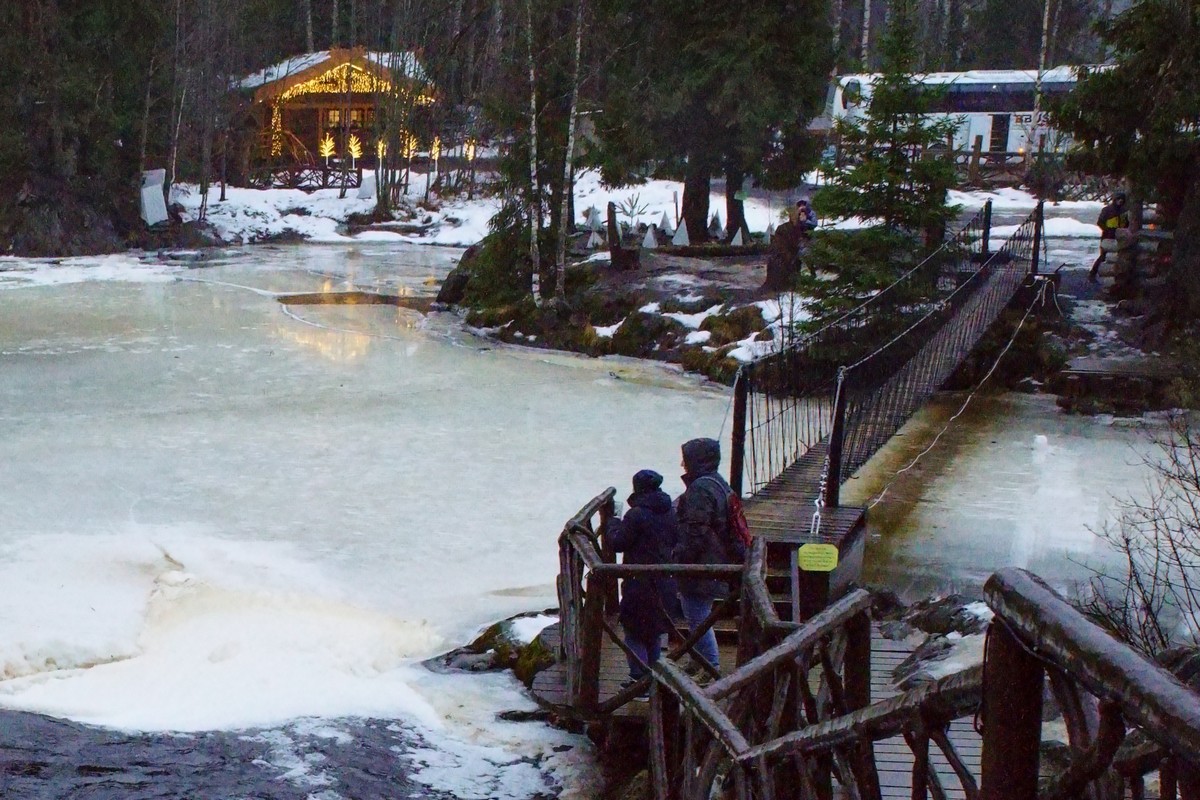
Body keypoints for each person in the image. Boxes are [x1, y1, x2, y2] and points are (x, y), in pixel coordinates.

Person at [672, 438, 745, 675]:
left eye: (687, 459)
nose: (683, 464)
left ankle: (711, 666)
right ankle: (699, 660)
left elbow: (696, 529)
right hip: (717, 558)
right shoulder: (719, 483)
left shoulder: (700, 490)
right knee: (697, 612)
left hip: (703, 562)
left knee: (697, 615)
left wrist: (679, 557)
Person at [608, 469, 679, 685]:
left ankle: (639, 679)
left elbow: (618, 543)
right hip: (664, 580)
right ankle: (654, 677)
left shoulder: (637, 514)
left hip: (639, 582)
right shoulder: (669, 511)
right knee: (654, 631)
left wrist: (612, 522)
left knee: (634, 631)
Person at [1089, 191, 1130, 282]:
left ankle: (1116, 275)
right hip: (1108, 236)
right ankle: (1093, 273)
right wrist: (1108, 230)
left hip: (1120, 236)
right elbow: (1100, 222)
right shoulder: (1107, 210)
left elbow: (1127, 223)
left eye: (1122, 200)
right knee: (1103, 256)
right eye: (1118, 199)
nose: (1120, 201)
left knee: (1120, 256)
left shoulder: (1124, 211)